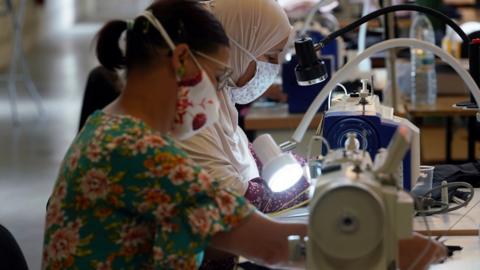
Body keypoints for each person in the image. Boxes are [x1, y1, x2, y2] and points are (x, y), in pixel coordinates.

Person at [42, 1, 306, 269]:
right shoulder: (139, 153)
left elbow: (211, 238)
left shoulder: (105, 128)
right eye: (217, 77)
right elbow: (271, 247)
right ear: (181, 60)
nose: (218, 93)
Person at [178, 0, 308, 215]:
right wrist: (317, 181)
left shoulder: (221, 99)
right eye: (269, 56)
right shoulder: (190, 113)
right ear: (236, 43)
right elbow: (239, 201)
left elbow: (250, 156)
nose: (273, 68)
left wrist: (315, 167)